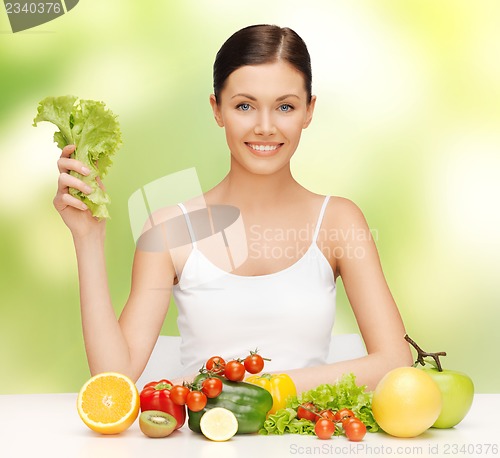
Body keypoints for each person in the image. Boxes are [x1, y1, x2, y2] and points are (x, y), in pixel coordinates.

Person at [54, 24, 412, 392]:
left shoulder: (338, 221)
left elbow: (394, 362)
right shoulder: (170, 228)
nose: (265, 127)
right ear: (217, 109)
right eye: (245, 105)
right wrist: (88, 237)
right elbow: (113, 380)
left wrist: (240, 387)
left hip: (303, 443)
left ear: (309, 111)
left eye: (285, 106)